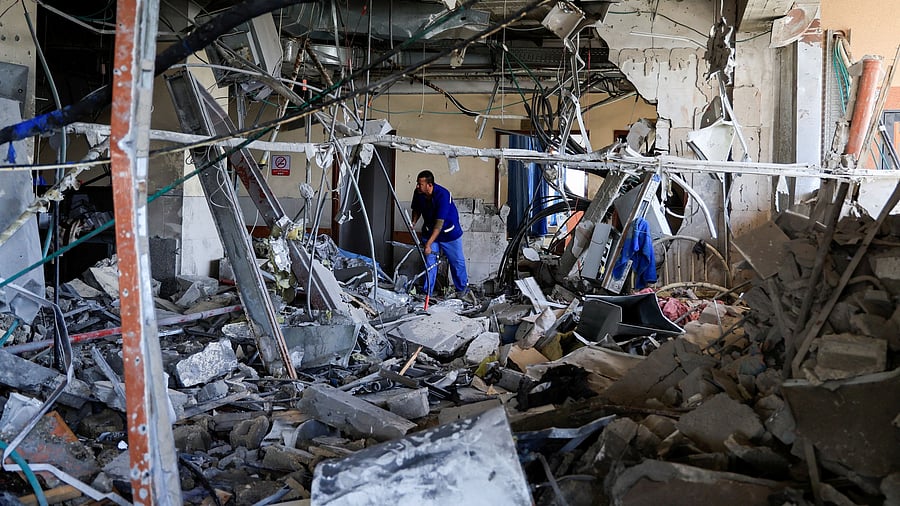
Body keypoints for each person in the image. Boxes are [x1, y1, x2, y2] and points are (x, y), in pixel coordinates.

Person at [410, 170, 471, 299]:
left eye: (420, 184)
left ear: (429, 185)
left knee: (457, 262)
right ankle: (427, 294)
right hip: (429, 230)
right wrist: (413, 222)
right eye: (417, 183)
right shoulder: (419, 193)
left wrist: (428, 244)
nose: (417, 186)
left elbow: (439, 224)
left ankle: (463, 291)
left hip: (449, 233)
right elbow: (416, 208)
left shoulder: (443, 195)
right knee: (430, 263)